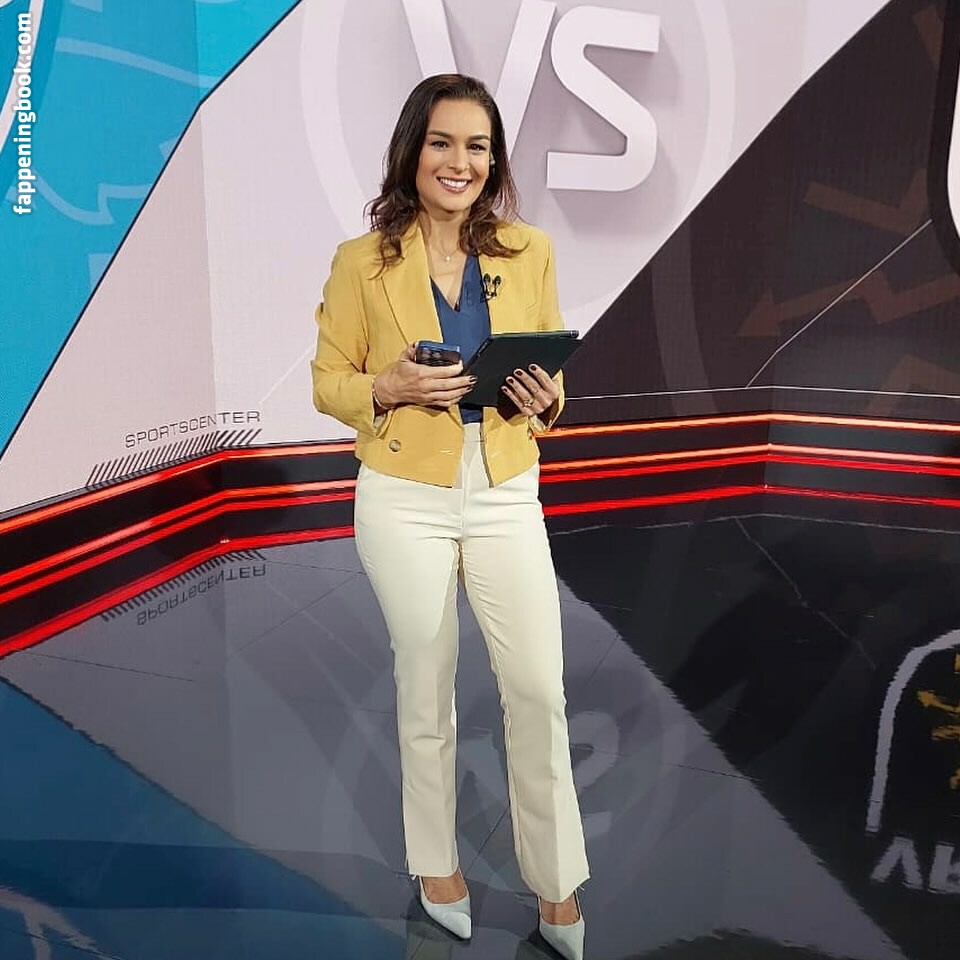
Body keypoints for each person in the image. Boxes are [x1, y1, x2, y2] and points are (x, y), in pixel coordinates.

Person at [311, 74, 589, 960]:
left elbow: (550, 376)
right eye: (442, 142)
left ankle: (557, 880)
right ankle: (436, 868)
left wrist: (547, 400)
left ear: (494, 161)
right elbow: (328, 381)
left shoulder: (529, 250)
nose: (459, 162)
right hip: (405, 493)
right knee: (426, 681)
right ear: (413, 150)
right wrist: (385, 386)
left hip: (505, 485)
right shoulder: (361, 261)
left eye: (477, 146)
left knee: (538, 688)